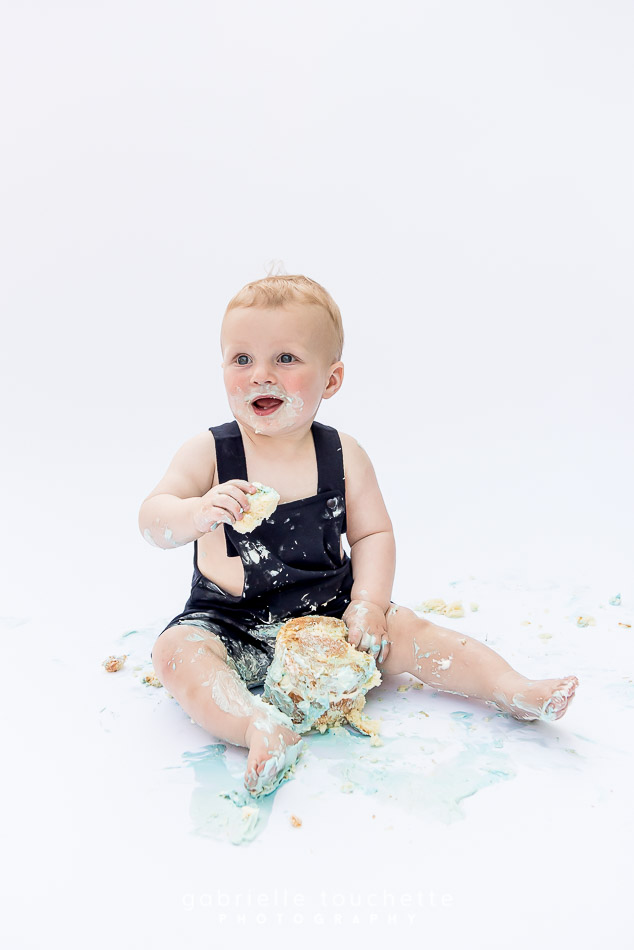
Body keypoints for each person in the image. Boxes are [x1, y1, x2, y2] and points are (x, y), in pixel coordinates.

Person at [138, 273, 578, 797]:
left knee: (413, 632)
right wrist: (195, 512)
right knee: (175, 653)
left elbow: (372, 534)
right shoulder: (209, 453)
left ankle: (510, 687)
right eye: (242, 359)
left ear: (332, 379)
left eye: (285, 358)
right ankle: (258, 727)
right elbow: (153, 518)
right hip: (230, 622)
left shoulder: (343, 455)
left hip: (332, 614)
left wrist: (368, 604)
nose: (261, 375)